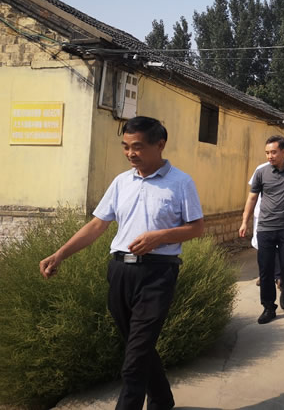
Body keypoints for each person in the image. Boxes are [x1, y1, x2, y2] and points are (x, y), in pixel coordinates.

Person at [39, 116, 204, 410]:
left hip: (157, 274)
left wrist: (160, 237)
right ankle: (162, 399)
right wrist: (60, 253)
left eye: (137, 146)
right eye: (126, 147)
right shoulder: (121, 182)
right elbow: (97, 225)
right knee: (137, 345)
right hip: (119, 272)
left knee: (135, 358)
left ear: (160, 145)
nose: (130, 153)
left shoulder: (181, 183)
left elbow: (196, 228)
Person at [239, 135, 284, 324]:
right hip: (265, 228)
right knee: (266, 270)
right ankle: (268, 307)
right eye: (267, 153)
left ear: (283, 151)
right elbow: (252, 198)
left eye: (274, 152)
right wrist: (244, 222)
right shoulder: (261, 172)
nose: (270, 156)